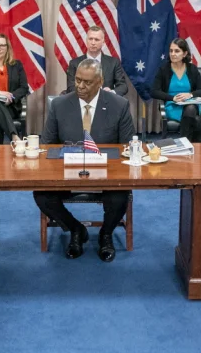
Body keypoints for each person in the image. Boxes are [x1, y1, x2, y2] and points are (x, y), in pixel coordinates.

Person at [35, 58, 135, 262]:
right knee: (42, 195)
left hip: (107, 172)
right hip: (67, 170)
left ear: (100, 81)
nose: (79, 86)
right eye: (77, 80)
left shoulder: (119, 105)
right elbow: (46, 146)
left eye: (86, 82)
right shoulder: (60, 105)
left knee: (120, 196)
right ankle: (76, 229)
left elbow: (127, 147)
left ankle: (105, 235)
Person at [150, 38, 201, 143]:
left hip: (190, 103)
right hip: (172, 105)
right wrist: (172, 97)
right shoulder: (164, 70)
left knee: (190, 108)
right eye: (171, 51)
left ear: (185, 53)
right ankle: (192, 143)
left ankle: (183, 142)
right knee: (192, 117)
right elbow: (154, 91)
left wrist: (190, 95)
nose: (173, 54)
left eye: (177, 51)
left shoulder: (192, 69)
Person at [63, 25, 129, 97]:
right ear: (86, 40)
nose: (93, 43)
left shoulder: (114, 63)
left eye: (96, 39)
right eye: (90, 39)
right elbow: (71, 88)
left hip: (107, 102)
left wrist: (111, 92)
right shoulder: (74, 63)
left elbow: (123, 86)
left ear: (103, 42)